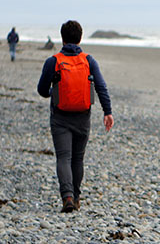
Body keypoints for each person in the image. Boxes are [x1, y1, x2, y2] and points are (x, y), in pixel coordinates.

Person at [37, 20, 114, 213]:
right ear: (80, 38)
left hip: (60, 117)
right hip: (82, 116)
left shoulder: (53, 61)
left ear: (62, 38)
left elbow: (41, 89)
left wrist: (53, 93)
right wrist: (107, 111)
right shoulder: (89, 60)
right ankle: (77, 197)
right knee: (78, 158)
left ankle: (68, 197)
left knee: (63, 157)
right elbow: (101, 87)